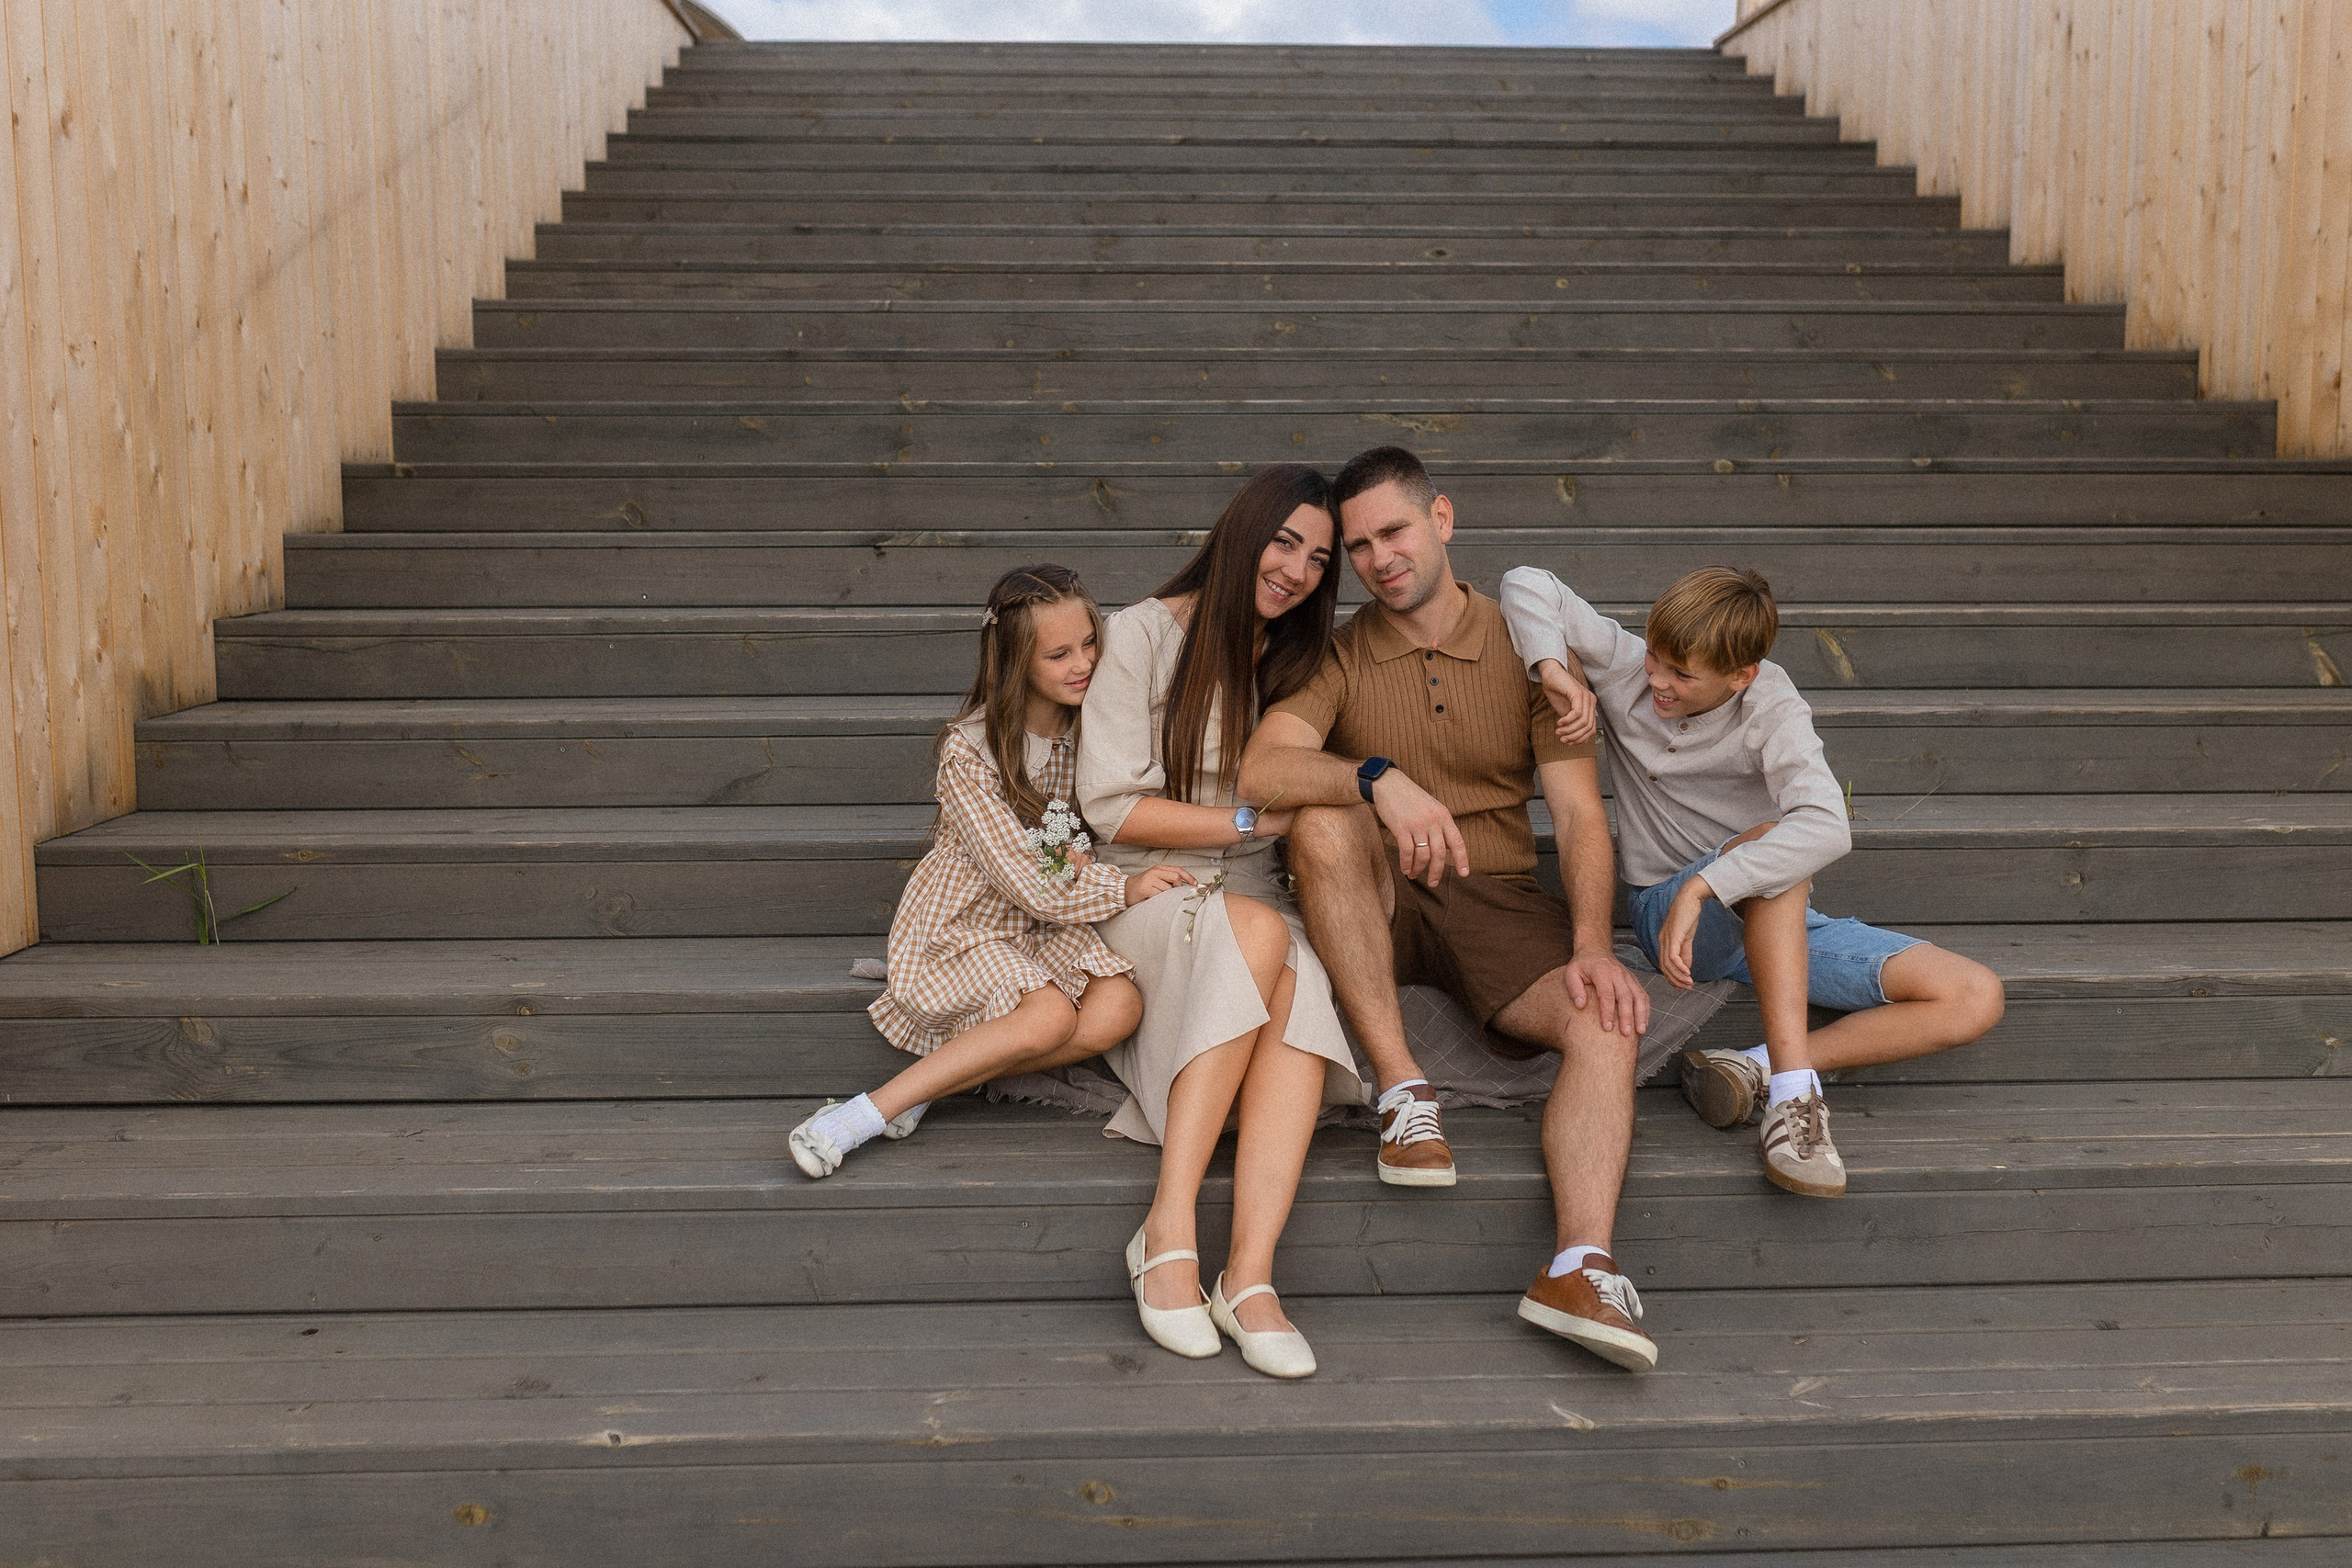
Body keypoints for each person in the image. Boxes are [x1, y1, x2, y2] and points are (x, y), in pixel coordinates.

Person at [1236, 446, 1662, 1374]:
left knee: (1606, 1020)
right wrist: (1376, 778)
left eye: (1394, 531)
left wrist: (1594, 942)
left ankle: (1579, 1267)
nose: (1378, 558)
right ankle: (1404, 1089)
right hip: (1378, 894)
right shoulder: (1340, 651)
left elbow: (1579, 815)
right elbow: (1262, 768)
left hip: (1498, 893)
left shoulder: (1528, 648)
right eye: (1357, 546)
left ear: (1442, 519)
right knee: (1323, 821)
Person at [1499, 562, 2006, 1200]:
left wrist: (1707, 885)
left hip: (1767, 920)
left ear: (1742, 675)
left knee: (1975, 995)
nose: (1656, 680)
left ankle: (1757, 1066)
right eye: (1655, 657)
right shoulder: (1630, 665)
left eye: (1682, 675)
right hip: (1668, 915)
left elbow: (1828, 825)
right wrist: (1552, 669)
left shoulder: (1771, 702)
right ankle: (1794, 1105)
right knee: (1773, 847)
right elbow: (1526, 582)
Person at [1076, 463, 1365, 1380]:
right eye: (1284, 543)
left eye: (1319, 560)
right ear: (1242, 531)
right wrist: (1251, 823)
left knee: (1295, 979)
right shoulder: (1139, 635)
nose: (1297, 572)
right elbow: (1112, 808)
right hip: (1146, 889)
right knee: (1267, 942)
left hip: (1255, 897)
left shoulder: (1299, 659)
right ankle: (1168, 1227)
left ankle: (1249, 1274)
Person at [789, 565, 1189, 1180]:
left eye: (1090, 644)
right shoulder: (969, 752)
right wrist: (1125, 886)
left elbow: (1074, 838)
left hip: (1042, 925)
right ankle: (867, 1112)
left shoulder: (1093, 729)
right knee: (1051, 1016)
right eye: (1058, 654)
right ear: (1015, 661)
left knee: (1118, 1009)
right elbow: (1026, 878)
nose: (1083, 663)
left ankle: (934, 1081)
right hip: (968, 923)